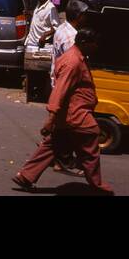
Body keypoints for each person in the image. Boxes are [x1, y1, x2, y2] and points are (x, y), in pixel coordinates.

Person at [13, 27, 112, 194]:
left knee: (54, 144)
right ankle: (98, 187)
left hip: (69, 115)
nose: (96, 47)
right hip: (77, 115)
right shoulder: (73, 62)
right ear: (84, 43)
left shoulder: (76, 57)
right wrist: (51, 117)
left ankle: (26, 176)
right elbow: (60, 90)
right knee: (90, 144)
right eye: (94, 43)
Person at [24, 0, 59, 102]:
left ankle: (40, 94)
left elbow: (56, 26)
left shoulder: (51, 8)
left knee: (41, 72)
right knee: (31, 71)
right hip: (32, 42)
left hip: (42, 46)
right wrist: (30, 14)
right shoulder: (38, 5)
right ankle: (31, 94)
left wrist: (45, 35)